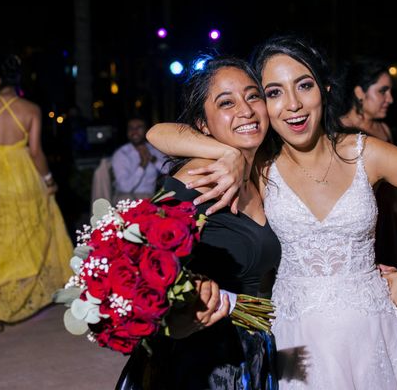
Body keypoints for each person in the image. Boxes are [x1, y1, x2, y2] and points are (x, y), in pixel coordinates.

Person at [147, 34, 397, 388]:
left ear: (326, 90)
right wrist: (223, 153)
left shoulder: (366, 152)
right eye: (274, 92)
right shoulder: (257, 165)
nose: (293, 105)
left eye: (304, 86)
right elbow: (161, 133)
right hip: (293, 338)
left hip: (373, 331)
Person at [116, 55, 281, 390]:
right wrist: (175, 321)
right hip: (202, 365)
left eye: (253, 96)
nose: (246, 110)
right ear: (203, 125)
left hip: (248, 352)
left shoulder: (262, 171)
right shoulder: (200, 174)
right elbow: (142, 262)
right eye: (226, 102)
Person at [0, 54, 74, 339]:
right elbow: (35, 151)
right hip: (23, 178)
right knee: (22, 237)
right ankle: (14, 299)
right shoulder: (30, 109)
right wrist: (48, 181)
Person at [337, 56, 397, 270]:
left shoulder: (384, 130)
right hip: (361, 223)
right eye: (382, 91)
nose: (390, 99)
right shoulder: (339, 130)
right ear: (359, 92)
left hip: (390, 218)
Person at [111, 117, 167, 203]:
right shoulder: (121, 153)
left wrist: (153, 159)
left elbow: (169, 170)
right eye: (131, 128)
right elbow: (125, 188)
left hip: (150, 198)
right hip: (125, 199)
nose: (134, 131)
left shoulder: (154, 149)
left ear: (146, 130)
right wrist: (142, 165)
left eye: (139, 127)